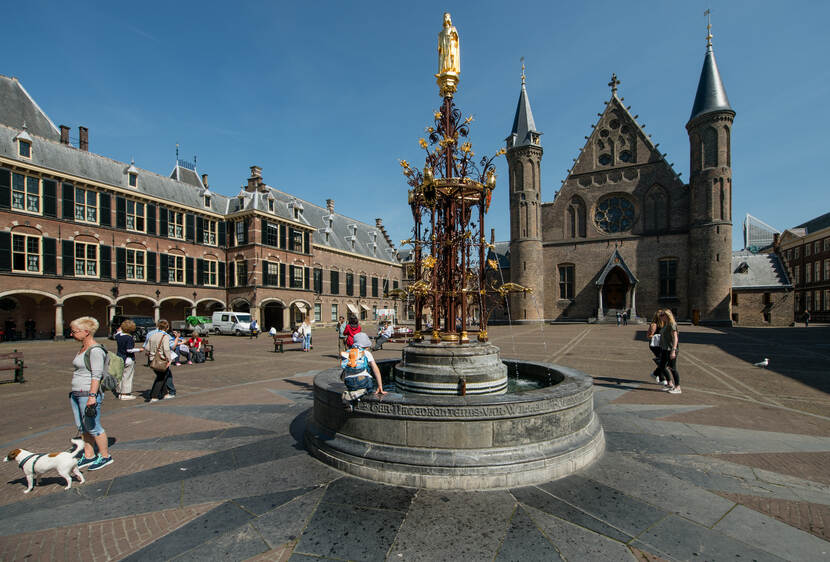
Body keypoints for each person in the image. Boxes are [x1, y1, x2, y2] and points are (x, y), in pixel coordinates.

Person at [69, 316, 113, 471]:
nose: (72, 334)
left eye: (75, 331)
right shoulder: (83, 348)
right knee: (84, 427)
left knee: (94, 426)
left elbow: (96, 375)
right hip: (77, 393)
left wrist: (92, 397)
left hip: (88, 393)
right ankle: (89, 455)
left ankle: (105, 456)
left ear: (86, 332)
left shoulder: (95, 351)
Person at [340, 332, 387, 411]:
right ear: (366, 345)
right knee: (370, 385)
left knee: (353, 386)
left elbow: (345, 370)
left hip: (349, 381)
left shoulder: (348, 352)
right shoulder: (366, 353)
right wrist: (380, 386)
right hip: (362, 380)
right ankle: (359, 393)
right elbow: (376, 370)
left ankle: (350, 399)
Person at [146, 319, 174, 402]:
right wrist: (169, 359)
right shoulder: (165, 336)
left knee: (161, 375)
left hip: (152, 359)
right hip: (161, 359)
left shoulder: (152, 335)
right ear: (167, 327)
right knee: (161, 377)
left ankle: (165, 393)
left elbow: (147, 348)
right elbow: (166, 349)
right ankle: (154, 396)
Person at [658, 310, 681, 394]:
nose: (660, 316)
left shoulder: (672, 324)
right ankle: (670, 384)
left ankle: (678, 387)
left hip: (670, 349)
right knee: (662, 366)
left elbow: (675, 338)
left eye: (662, 315)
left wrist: (673, 350)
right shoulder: (665, 324)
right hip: (665, 349)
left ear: (667, 315)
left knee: (673, 368)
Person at [114, 319, 138, 400]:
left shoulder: (118, 336)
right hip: (128, 358)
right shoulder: (129, 338)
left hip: (119, 357)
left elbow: (118, 332)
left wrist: (120, 329)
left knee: (120, 376)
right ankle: (125, 393)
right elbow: (129, 350)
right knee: (127, 376)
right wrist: (139, 349)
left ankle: (119, 392)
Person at [645, 310, 665, 385]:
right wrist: (657, 336)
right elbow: (648, 336)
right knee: (662, 361)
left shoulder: (665, 324)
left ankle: (657, 375)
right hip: (655, 345)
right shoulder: (654, 325)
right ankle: (661, 378)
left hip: (662, 345)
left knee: (663, 361)